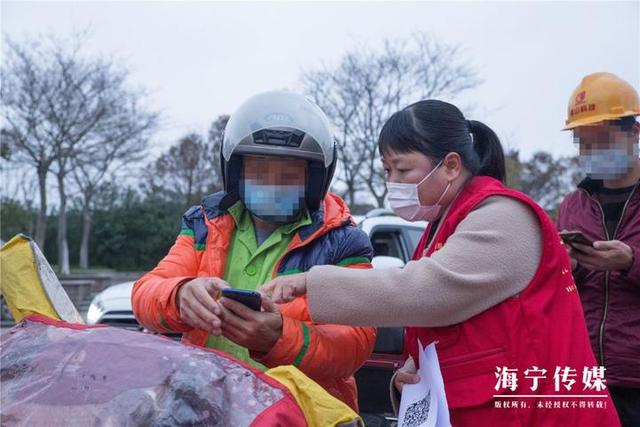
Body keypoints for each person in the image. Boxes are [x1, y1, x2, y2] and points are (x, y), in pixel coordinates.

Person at [261, 99, 621, 426]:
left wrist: (310, 281)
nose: (393, 183)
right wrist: (410, 377)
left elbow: (424, 291)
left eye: (402, 170)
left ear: (450, 165)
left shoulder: (503, 217)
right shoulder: (444, 224)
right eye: (387, 171)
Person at [132, 91, 376, 411]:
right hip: (206, 409)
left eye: (288, 173)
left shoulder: (343, 242)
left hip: (300, 414)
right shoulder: (205, 224)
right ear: (236, 172)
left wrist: (279, 338)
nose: (273, 183)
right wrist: (179, 295)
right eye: (260, 169)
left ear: (315, 178)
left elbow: (355, 343)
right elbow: (144, 295)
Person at [556, 72, 640, 427]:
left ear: (634, 133)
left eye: (602, 140)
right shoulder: (573, 205)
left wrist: (631, 262)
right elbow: (556, 291)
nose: (591, 152)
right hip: (586, 375)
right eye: (583, 143)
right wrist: (569, 267)